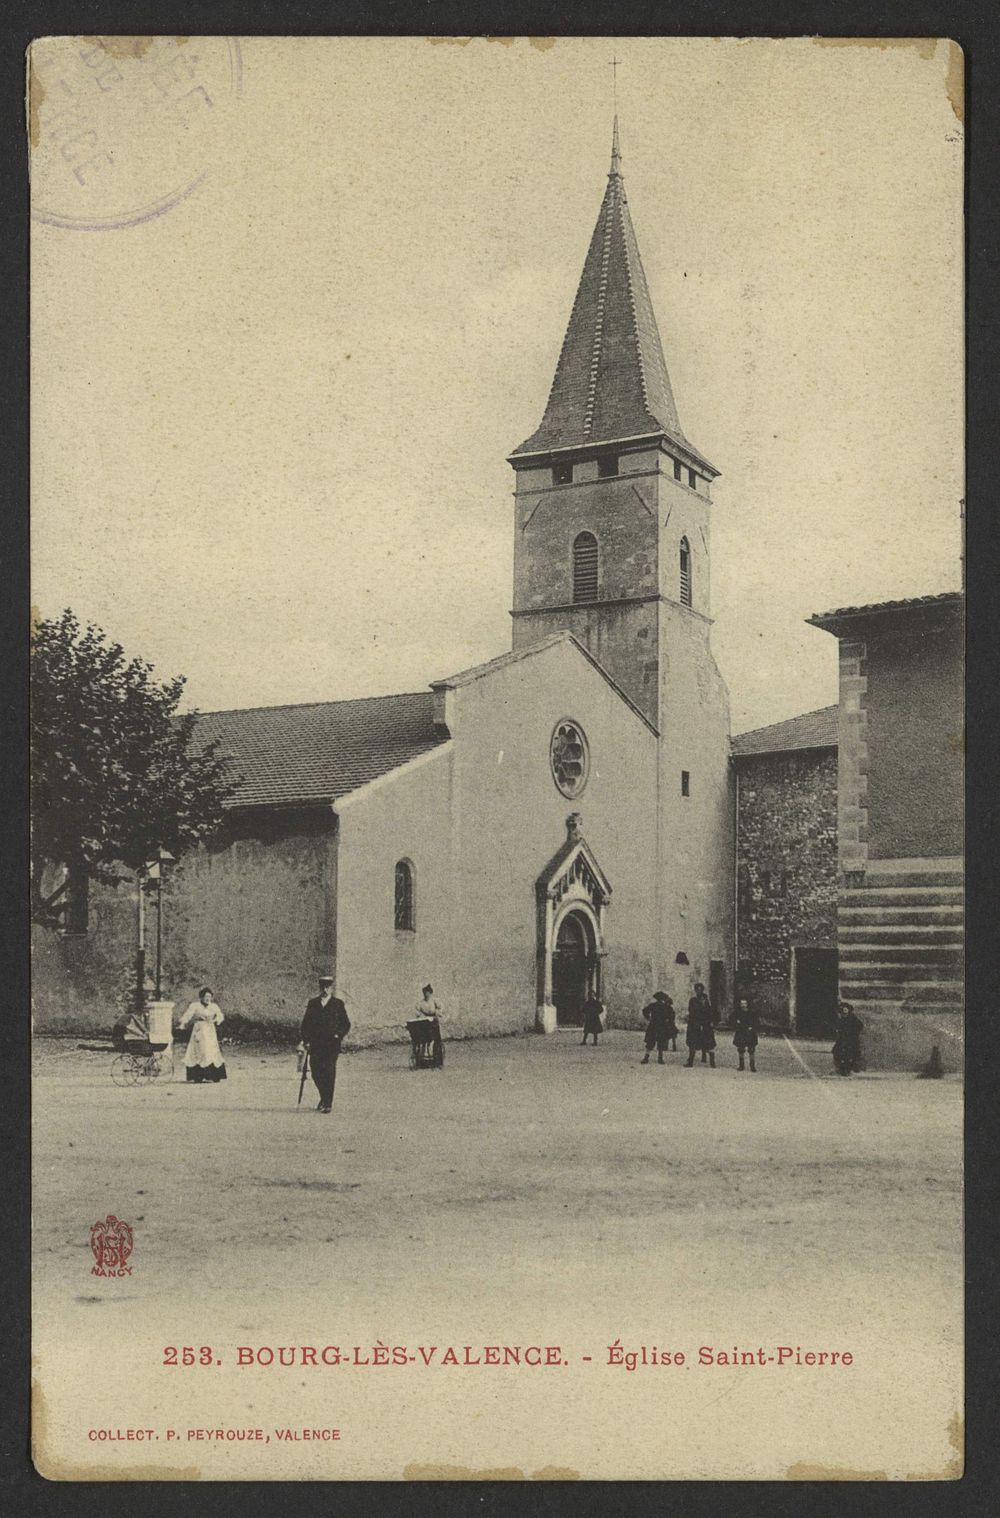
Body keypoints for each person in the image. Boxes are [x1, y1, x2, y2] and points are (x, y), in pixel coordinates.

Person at [301, 975, 351, 1112]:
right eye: (322, 986)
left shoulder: (337, 1004)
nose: (325, 989)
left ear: (331, 988)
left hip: (331, 1044)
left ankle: (328, 1103)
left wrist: (338, 1035)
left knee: (329, 1072)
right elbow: (306, 1025)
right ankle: (323, 1097)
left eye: (327, 987)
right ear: (319, 987)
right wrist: (306, 1041)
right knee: (316, 1072)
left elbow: (346, 1024)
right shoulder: (313, 1003)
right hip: (316, 1044)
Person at [177, 986, 227, 1083]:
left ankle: (214, 1075)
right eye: (205, 996)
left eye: (209, 996)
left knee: (211, 1050)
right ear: (201, 997)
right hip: (199, 1030)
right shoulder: (195, 1006)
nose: (208, 998)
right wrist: (183, 1023)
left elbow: (220, 1016)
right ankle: (198, 1076)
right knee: (200, 1051)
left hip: (210, 1030)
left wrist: (215, 1020)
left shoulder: (214, 1006)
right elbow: (187, 1015)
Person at [684, 982, 716, 1068]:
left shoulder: (706, 1002)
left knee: (708, 1043)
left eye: (700, 990)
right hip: (694, 1024)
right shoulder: (693, 1000)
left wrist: (709, 1022)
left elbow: (709, 1012)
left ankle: (712, 1062)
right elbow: (692, 1011)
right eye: (697, 990)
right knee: (692, 1042)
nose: (698, 991)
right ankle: (690, 1061)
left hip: (705, 1024)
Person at [640, 992, 677, 1064]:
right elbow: (672, 1015)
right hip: (661, 1026)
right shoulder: (666, 1007)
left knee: (650, 1042)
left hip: (653, 1025)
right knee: (660, 1042)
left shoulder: (653, 1005)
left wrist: (648, 1018)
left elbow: (644, 1011)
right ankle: (660, 1059)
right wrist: (668, 1020)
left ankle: (646, 1058)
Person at [415, 983, 445, 1067]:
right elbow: (417, 1011)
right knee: (423, 1040)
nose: (425, 994)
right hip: (425, 1022)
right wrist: (419, 1015)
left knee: (436, 1041)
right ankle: (422, 1059)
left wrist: (437, 1012)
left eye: (427, 992)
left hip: (434, 1022)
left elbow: (441, 1008)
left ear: (430, 993)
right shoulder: (421, 1003)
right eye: (424, 992)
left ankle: (438, 1061)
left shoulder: (434, 1000)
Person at [832, 1001, 864, 1077]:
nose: (844, 1012)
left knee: (850, 1055)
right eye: (843, 1011)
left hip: (851, 1040)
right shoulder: (841, 1019)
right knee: (838, 1053)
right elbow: (838, 1027)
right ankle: (840, 1069)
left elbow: (860, 1026)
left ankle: (848, 1070)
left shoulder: (853, 1018)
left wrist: (853, 1033)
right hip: (842, 1039)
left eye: (846, 1010)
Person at [732, 996, 759, 1072]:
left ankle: (752, 1066)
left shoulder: (752, 1012)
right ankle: (741, 1065)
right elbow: (732, 1019)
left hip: (750, 1032)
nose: (743, 1005)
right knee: (741, 1049)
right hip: (741, 1032)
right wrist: (736, 1023)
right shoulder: (737, 1012)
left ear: (747, 1004)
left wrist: (752, 1027)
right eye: (742, 1004)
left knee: (751, 1049)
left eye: (745, 1003)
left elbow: (756, 1021)